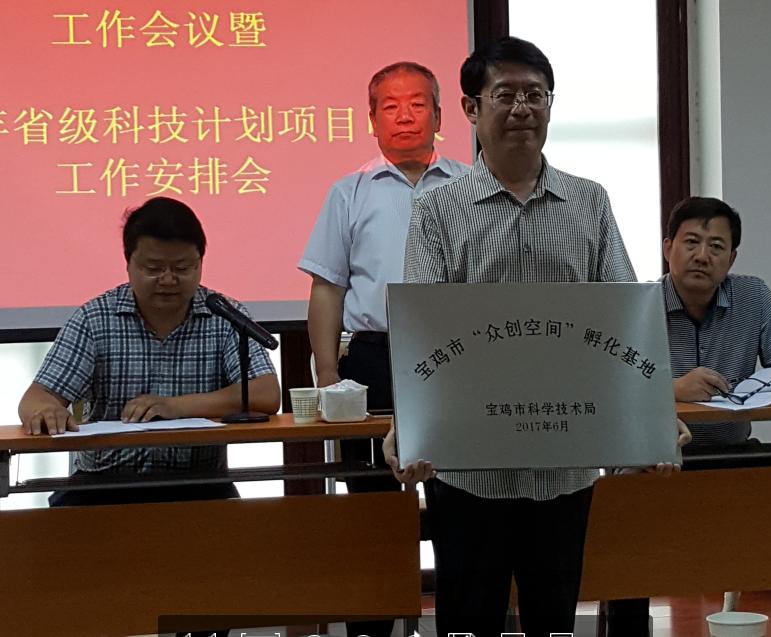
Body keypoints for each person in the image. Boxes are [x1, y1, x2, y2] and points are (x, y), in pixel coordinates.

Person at [383, 36, 684, 637]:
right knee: (469, 621)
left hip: (563, 464)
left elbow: (624, 318)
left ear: (550, 104)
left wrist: (653, 414)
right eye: (505, 95)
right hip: (469, 468)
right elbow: (424, 331)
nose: (522, 108)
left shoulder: (589, 202)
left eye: (535, 95)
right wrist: (409, 421)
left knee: (554, 618)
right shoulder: (437, 209)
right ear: (471, 109)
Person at [605, 196, 771, 637]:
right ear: (668, 248)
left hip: (734, 453)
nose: (702, 255)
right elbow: (607, 389)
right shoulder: (637, 304)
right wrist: (670, 389)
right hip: (656, 457)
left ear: (731, 258)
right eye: (691, 242)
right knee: (622, 513)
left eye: (716, 246)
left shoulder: (752, 296)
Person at [298, 61, 468, 637]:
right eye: (390, 106)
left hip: (456, 356)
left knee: (459, 504)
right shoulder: (349, 193)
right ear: (371, 119)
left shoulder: (471, 187)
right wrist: (328, 375)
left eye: (417, 104)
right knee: (372, 513)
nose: (404, 115)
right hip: (373, 359)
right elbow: (327, 288)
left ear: (440, 115)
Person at [18, 196, 281, 502]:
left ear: (200, 263)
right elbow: (35, 399)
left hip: (200, 485)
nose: (168, 280)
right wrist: (47, 411)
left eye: (182, 268)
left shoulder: (223, 315)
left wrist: (176, 407)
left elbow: (265, 394)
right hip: (103, 485)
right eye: (154, 268)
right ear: (128, 263)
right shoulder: (95, 318)